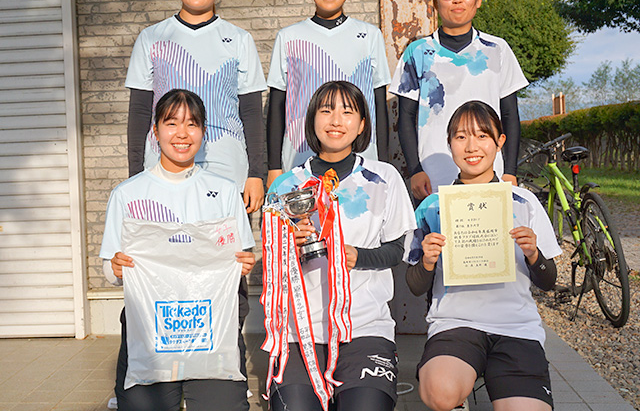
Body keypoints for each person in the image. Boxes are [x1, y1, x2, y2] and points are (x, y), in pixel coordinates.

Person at [100, 89, 256, 411]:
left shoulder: (225, 193)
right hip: (150, 336)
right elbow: (109, 268)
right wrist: (115, 267)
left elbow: (243, 256)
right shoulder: (128, 194)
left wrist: (245, 262)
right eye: (171, 123)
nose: (182, 134)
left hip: (211, 333)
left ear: (203, 132)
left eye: (192, 124)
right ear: (155, 131)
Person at [268, 81, 416, 411]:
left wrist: (356, 256)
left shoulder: (383, 177)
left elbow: (396, 250)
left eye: (347, 112)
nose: (336, 120)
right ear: (312, 120)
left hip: (363, 327)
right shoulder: (286, 185)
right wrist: (290, 244)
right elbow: (271, 263)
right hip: (299, 332)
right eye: (326, 110)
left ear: (363, 124)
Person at [404, 101, 561, 411]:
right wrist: (427, 260)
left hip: (516, 328)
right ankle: (457, 389)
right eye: (461, 137)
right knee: (440, 393)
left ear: (499, 142)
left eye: (482, 135)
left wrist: (533, 254)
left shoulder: (523, 201)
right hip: (455, 325)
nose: (471, 146)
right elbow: (414, 285)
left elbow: (549, 280)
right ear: (449, 144)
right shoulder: (433, 207)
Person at [125, 0, 266, 213]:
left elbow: (251, 113)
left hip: (227, 170)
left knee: (228, 254)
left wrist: (256, 174)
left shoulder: (239, 40)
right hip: (163, 168)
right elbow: (140, 111)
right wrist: (135, 176)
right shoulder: (152, 38)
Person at [390, 0, 528, 200]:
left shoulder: (498, 50)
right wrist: (415, 170)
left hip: (490, 173)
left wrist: (511, 171)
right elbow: (405, 118)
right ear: (435, 2)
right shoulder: (417, 52)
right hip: (434, 176)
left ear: (478, 0)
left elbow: (509, 114)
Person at [266, 0, 391, 188]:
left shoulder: (370, 36)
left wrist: (382, 162)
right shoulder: (288, 37)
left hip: (361, 161)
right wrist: (274, 167)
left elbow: (379, 105)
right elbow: (276, 105)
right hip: (300, 156)